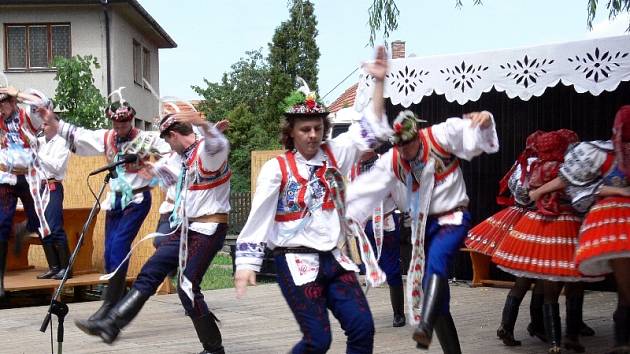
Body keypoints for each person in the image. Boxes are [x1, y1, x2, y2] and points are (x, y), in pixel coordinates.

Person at [234, 47, 392, 354]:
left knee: (362, 328)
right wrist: (246, 264)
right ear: (290, 133)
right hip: (295, 261)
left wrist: (379, 83)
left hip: (334, 259)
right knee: (318, 341)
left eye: (318, 128)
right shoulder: (275, 169)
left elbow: (371, 129)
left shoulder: (336, 152)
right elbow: (258, 218)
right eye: (304, 129)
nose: (312, 135)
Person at [346, 98, 499, 352]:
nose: (404, 150)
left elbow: (471, 132)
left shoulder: (439, 136)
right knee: (437, 298)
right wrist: (341, 212)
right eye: (399, 145)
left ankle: (424, 327)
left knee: (437, 262)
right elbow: (364, 190)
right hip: (423, 227)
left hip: (453, 218)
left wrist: (484, 119)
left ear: (417, 135)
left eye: (408, 143)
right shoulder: (393, 160)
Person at [75, 112, 230, 354]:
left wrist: (201, 124)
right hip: (184, 228)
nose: (167, 145)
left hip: (209, 229)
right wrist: (148, 168)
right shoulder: (181, 157)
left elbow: (219, 143)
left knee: (187, 287)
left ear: (175, 135)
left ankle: (213, 348)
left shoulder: (206, 153)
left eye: (168, 140)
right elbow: (164, 172)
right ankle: (111, 324)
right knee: (149, 272)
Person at [44, 97, 170, 329]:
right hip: (115, 200)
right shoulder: (107, 137)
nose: (120, 129)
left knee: (120, 248)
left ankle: (110, 305)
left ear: (131, 120)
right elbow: (81, 136)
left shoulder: (144, 139)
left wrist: (154, 171)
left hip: (137, 199)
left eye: (124, 124)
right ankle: (111, 303)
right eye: (116, 124)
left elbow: (172, 149)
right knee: (110, 253)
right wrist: (55, 123)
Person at [492, 129, 600, 354]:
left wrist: (535, 202)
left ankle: (537, 334)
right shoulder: (567, 169)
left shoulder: (531, 166)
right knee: (570, 281)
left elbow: (520, 195)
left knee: (528, 280)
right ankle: (565, 335)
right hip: (565, 226)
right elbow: (581, 200)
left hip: (534, 224)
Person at [533, 106, 630, 354]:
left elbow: (531, 190)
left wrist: (536, 192)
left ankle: (562, 336)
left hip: (564, 223)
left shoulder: (533, 166)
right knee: (563, 281)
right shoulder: (596, 154)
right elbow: (573, 186)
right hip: (595, 223)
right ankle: (568, 336)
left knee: (552, 281)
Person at [0, 86, 53, 298]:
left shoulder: (27, 116)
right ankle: (0, 282)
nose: (1, 108)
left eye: (3, 103)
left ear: (13, 102)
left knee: (38, 219)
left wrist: (18, 92)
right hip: (6, 176)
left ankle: (24, 229)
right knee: (1, 223)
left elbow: (45, 103)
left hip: (29, 176)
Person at [350, 148, 406, 327]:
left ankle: (399, 313)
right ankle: (359, 313)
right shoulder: (354, 168)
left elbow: (401, 197)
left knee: (392, 269)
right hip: (365, 226)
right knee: (366, 266)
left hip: (385, 222)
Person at [36, 116, 72, 280]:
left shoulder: (62, 143)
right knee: (42, 228)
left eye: (45, 124)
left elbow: (57, 166)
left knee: (55, 226)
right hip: (40, 187)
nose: (42, 127)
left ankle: (66, 268)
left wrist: (37, 154)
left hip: (53, 186)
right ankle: (54, 266)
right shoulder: (41, 142)